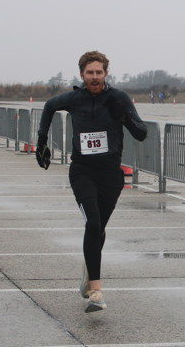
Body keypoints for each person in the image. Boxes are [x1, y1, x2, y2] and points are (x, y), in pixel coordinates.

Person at [36, 50, 148, 312]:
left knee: (98, 229)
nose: (94, 77)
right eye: (90, 73)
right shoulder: (74, 99)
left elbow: (141, 133)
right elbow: (49, 106)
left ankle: (88, 273)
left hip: (110, 175)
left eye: (99, 72)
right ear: (82, 74)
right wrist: (41, 142)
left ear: (106, 73)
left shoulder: (118, 98)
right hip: (82, 171)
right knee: (93, 223)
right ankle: (95, 291)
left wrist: (125, 116)